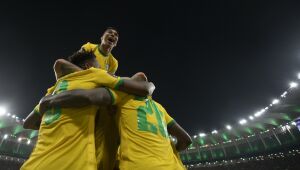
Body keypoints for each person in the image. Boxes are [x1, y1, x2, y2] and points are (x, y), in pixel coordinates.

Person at [21, 51, 154, 170]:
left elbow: (28, 123)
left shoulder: (53, 90)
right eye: (98, 66)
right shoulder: (93, 74)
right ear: (88, 67)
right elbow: (143, 85)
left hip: (35, 163)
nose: (100, 69)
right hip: (72, 163)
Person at [38, 73, 192, 170]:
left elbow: (88, 96)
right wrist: (168, 152)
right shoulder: (160, 108)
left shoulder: (122, 97)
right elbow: (186, 140)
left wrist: (51, 100)